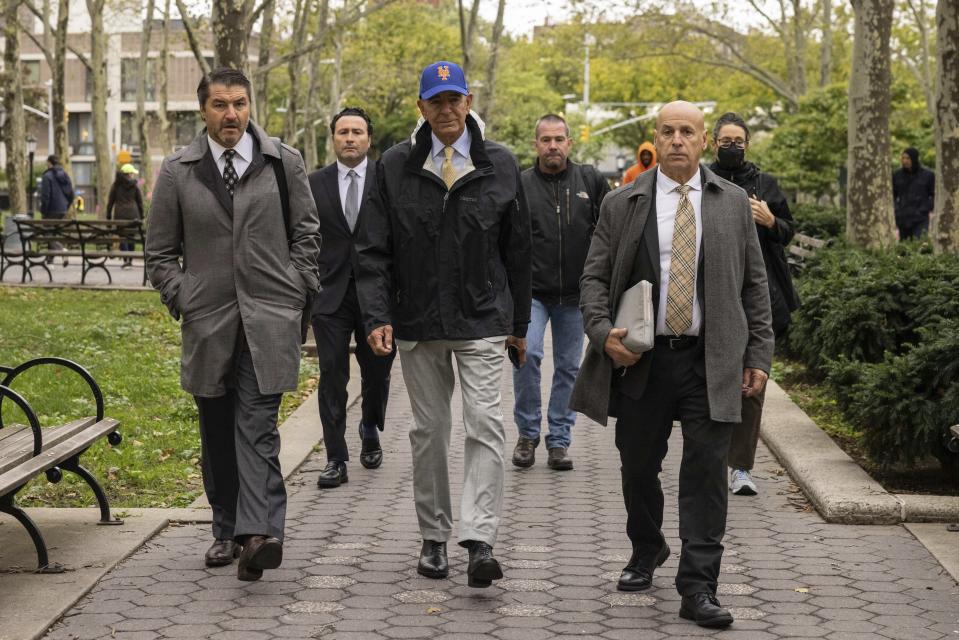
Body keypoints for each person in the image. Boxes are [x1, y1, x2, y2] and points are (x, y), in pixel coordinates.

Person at [569, 101, 773, 629]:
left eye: (688, 131)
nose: (678, 139)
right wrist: (601, 333)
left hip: (712, 359)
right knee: (638, 466)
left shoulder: (731, 203)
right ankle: (647, 547)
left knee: (706, 474)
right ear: (655, 139)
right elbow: (592, 279)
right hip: (643, 360)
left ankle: (699, 585)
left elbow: (755, 286)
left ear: (704, 140)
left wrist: (759, 356)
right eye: (668, 131)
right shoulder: (622, 202)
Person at [356, 60, 531, 589]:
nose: (447, 109)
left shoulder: (500, 163)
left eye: (455, 99)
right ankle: (434, 537)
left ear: (469, 101)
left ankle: (480, 540)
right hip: (418, 321)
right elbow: (372, 250)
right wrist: (377, 314)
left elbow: (518, 251)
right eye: (437, 101)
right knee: (428, 432)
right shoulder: (392, 166)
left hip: (481, 318)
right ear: (421, 108)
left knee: (486, 425)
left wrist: (519, 323)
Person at [146, 67, 321, 582]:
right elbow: (159, 253)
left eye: (240, 104)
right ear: (203, 110)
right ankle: (226, 528)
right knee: (218, 430)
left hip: (269, 318)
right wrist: (186, 297)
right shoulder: (178, 171)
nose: (232, 115)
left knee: (258, 427)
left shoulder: (281, 162)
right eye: (220, 105)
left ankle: (262, 534)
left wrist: (296, 290)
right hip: (208, 322)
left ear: (251, 106)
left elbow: (307, 234)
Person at [708, 112, 799, 497]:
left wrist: (770, 219)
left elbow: (789, 232)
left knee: (753, 382)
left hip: (757, 298)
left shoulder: (765, 184)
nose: (733, 147)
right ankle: (710, 458)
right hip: (710, 295)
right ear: (714, 143)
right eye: (726, 141)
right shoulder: (701, 181)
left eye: (739, 141)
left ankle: (741, 466)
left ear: (747, 144)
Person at [511, 113, 609, 471]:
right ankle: (527, 433)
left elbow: (609, 231)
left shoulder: (591, 180)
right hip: (531, 294)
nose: (552, 146)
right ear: (535, 144)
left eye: (559, 139)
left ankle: (559, 441)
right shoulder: (519, 184)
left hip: (576, 295)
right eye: (545, 140)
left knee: (569, 367)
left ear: (569, 142)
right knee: (527, 355)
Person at [308, 107, 395, 488]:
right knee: (332, 376)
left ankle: (370, 425)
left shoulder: (386, 179)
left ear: (369, 139)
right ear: (333, 138)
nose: (349, 138)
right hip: (330, 295)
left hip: (377, 294)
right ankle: (335, 458)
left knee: (378, 370)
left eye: (357, 131)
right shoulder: (314, 183)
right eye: (342, 131)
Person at [106, 163, 145, 268]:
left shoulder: (116, 186)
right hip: (133, 215)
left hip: (120, 215)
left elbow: (110, 203)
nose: (133, 175)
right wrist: (141, 217)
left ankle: (125, 260)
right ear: (129, 174)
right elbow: (140, 203)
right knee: (131, 237)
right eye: (132, 173)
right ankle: (130, 260)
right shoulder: (135, 186)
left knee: (123, 237)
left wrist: (108, 218)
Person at [38, 154, 75, 265]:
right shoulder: (64, 175)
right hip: (62, 209)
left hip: (51, 210)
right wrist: (66, 206)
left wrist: (44, 211)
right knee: (53, 233)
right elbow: (71, 194)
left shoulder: (47, 176)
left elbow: (45, 196)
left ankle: (61, 250)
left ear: (49, 163)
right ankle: (50, 261)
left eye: (46, 162)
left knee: (47, 233)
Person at [892, 147, 935, 240]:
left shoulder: (928, 175)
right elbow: (892, 195)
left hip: (920, 218)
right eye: (903, 158)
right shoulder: (897, 175)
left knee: (919, 244)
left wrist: (926, 208)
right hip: (902, 218)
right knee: (904, 249)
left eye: (907, 158)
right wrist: (897, 210)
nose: (905, 161)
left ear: (914, 159)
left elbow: (934, 195)